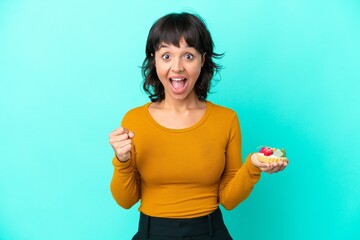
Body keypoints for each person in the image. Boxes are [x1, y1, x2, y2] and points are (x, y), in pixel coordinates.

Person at [109, 12, 288, 240]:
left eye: (188, 56)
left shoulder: (226, 120)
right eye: (166, 56)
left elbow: (228, 200)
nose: (177, 67)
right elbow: (125, 201)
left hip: (211, 232)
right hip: (152, 233)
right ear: (154, 60)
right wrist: (122, 161)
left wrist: (252, 165)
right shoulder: (134, 120)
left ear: (202, 60)